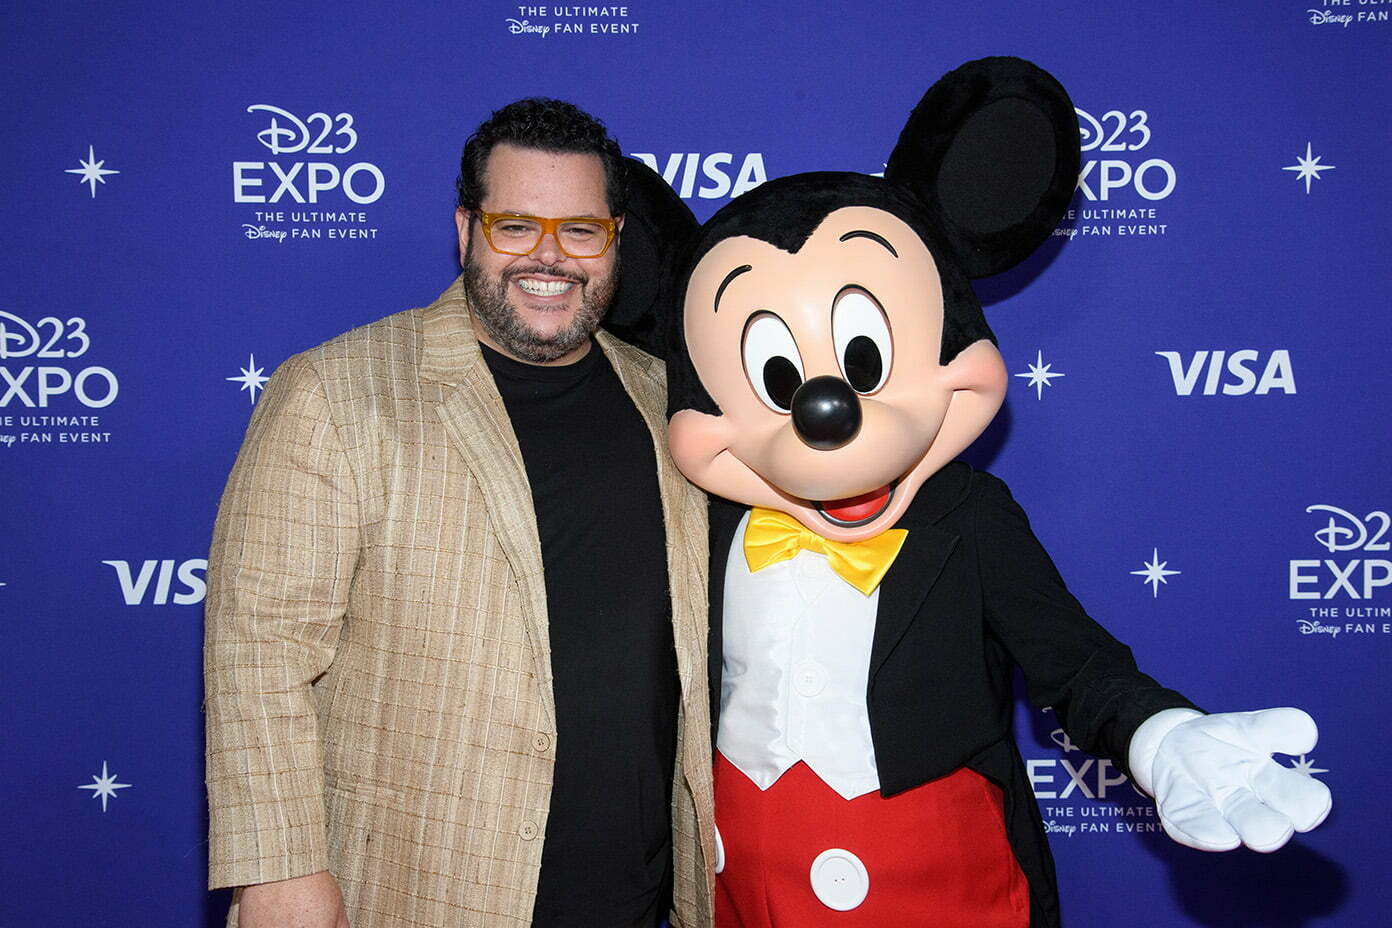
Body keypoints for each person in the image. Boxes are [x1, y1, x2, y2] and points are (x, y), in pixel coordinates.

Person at [204, 98, 715, 928]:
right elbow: (257, 652)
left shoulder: (668, 404)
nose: (550, 256)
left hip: (635, 894)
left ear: (615, 239)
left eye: (581, 230)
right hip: (418, 888)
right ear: (466, 229)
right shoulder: (338, 391)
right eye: (517, 225)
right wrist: (279, 874)